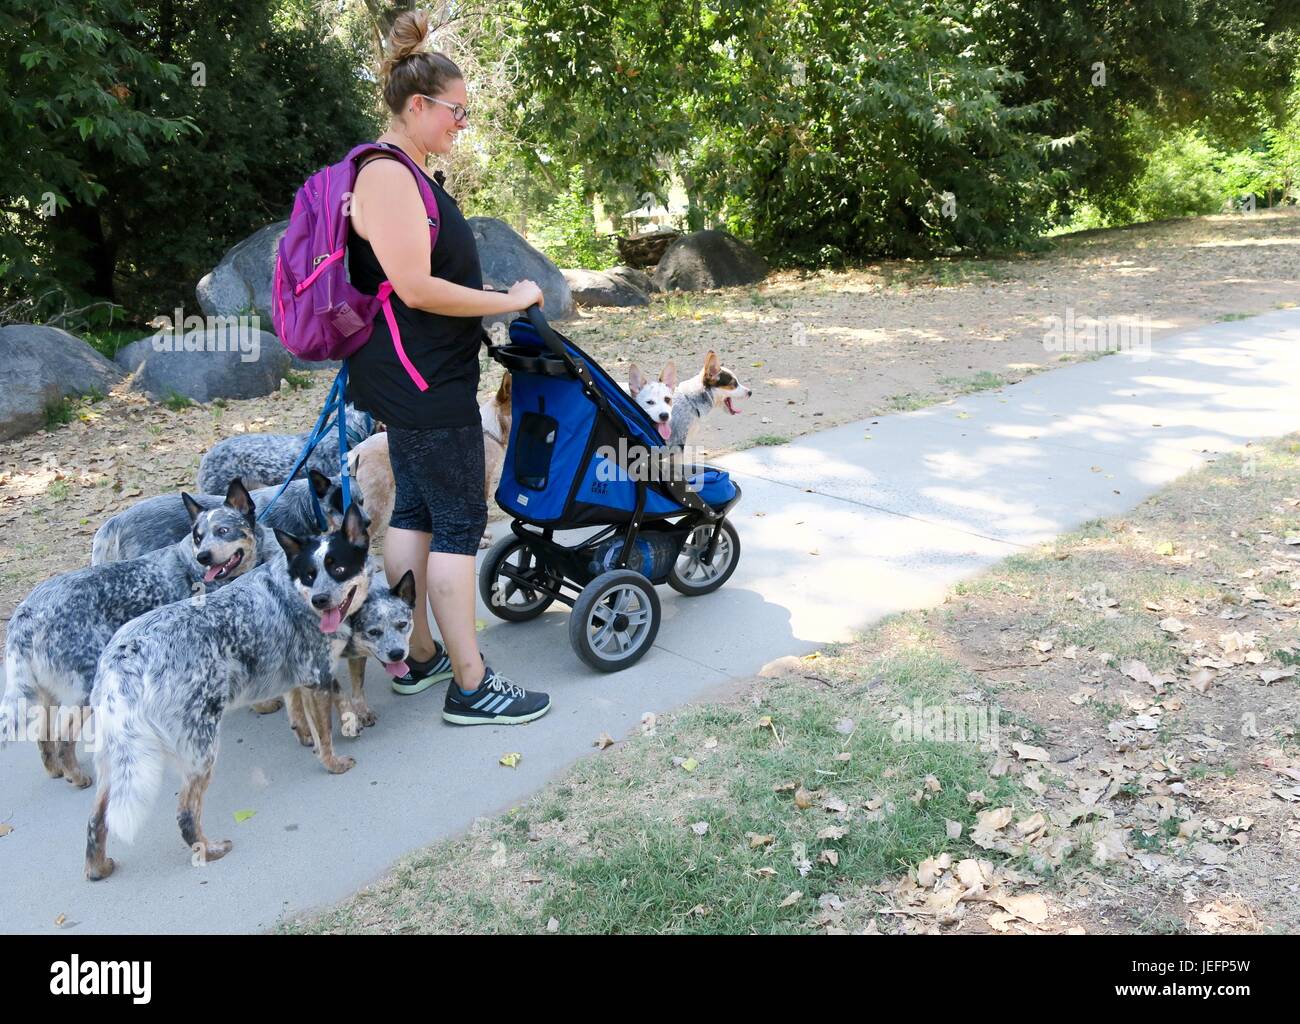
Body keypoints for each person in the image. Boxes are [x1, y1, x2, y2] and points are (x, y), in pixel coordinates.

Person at [345, 9, 550, 725]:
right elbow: (416, 287)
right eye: (456, 112)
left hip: (415, 377)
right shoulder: (389, 176)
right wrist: (505, 298)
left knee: (418, 510)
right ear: (418, 107)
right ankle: (471, 683)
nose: (461, 124)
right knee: (460, 519)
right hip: (424, 380)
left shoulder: (397, 172)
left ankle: (420, 656)